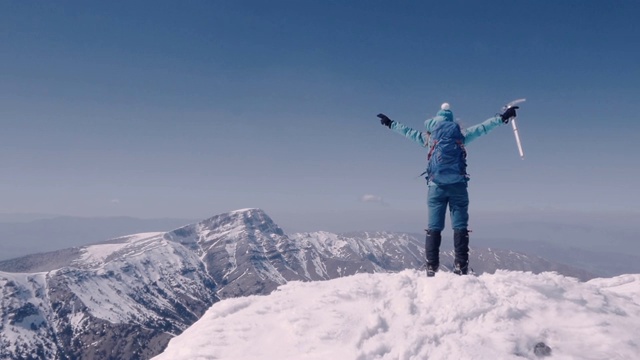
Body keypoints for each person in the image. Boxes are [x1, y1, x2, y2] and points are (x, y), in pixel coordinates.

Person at [377, 103, 518, 276]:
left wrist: (390, 123)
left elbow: (408, 132)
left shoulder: (429, 138)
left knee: (434, 226)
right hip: (458, 185)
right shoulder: (460, 136)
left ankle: (431, 266)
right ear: (451, 122)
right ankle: (461, 266)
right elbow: (482, 128)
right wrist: (502, 117)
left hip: (436, 187)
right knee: (460, 225)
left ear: (435, 122)